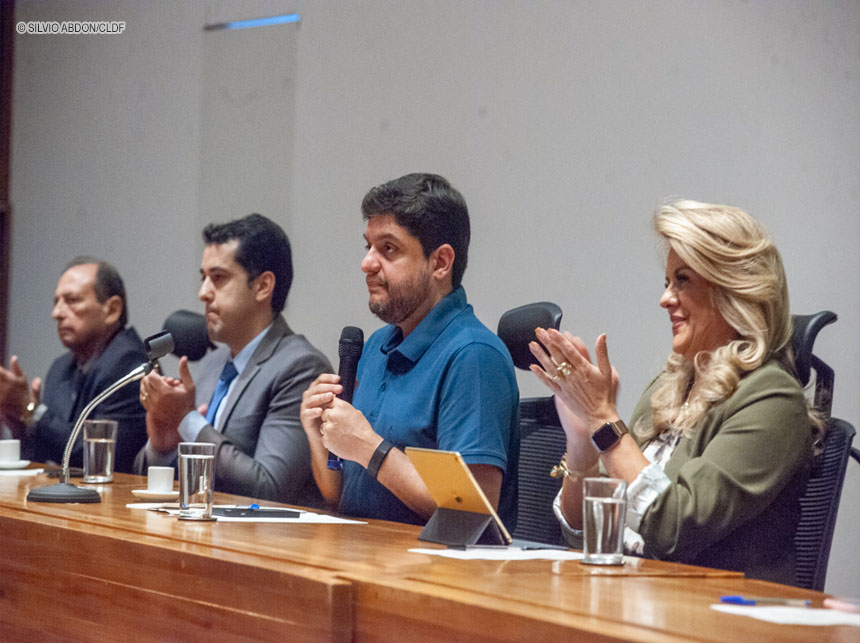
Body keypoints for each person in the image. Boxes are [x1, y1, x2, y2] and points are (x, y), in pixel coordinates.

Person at [529, 199, 816, 584]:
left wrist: (603, 419)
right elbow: (580, 535)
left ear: (733, 289)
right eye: (667, 282)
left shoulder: (773, 400)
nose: (665, 299)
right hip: (632, 597)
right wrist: (582, 440)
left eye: (683, 280)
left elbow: (673, 530)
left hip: (712, 618)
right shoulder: (669, 387)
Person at [300, 173, 520, 526]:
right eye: (368, 246)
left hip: (439, 576)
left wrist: (368, 448)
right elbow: (340, 497)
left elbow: (470, 510)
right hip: (363, 555)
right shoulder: (374, 347)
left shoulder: (474, 355)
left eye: (388, 249)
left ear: (440, 262)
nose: (367, 263)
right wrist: (318, 434)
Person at [134, 214, 331, 506]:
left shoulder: (300, 368)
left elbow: (269, 489)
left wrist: (186, 420)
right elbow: (146, 481)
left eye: (219, 278)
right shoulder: (214, 364)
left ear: (263, 286)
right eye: (204, 278)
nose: (203, 293)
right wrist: (163, 446)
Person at [0, 257, 147, 472]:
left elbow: (91, 457)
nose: (57, 313)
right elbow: (46, 458)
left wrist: (29, 408)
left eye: (72, 300)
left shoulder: (130, 365)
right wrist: (21, 426)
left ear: (112, 310)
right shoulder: (60, 368)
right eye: (56, 302)